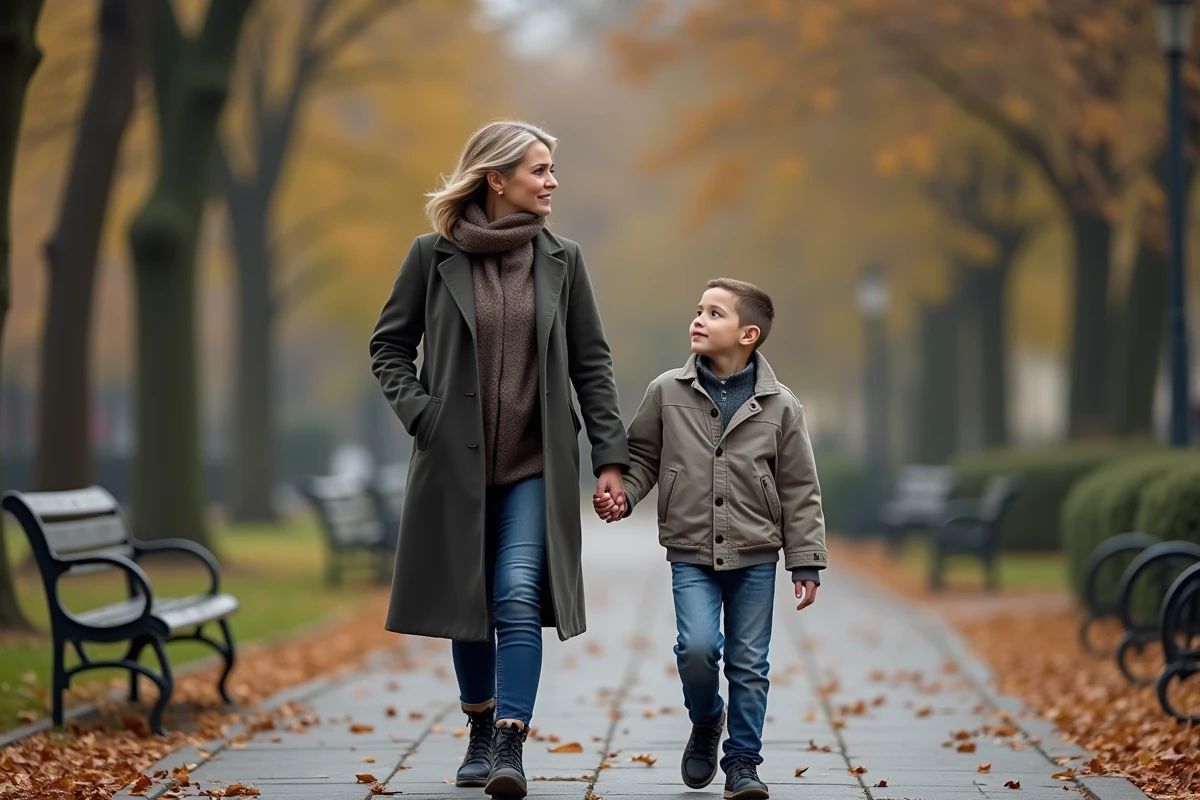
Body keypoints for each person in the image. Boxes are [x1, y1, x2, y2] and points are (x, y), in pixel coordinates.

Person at [370, 120, 629, 799]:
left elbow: (593, 366)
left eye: (551, 169)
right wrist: (423, 415)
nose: (552, 181)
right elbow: (389, 348)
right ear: (496, 178)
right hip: (453, 464)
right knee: (470, 601)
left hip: (534, 466)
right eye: (539, 169)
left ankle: (510, 742)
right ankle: (479, 727)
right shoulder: (432, 256)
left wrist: (610, 458)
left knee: (515, 594)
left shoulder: (563, 260)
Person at [594, 278, 827, 800]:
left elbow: (800, 487)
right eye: (698, 310)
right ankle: (706, 720)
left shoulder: (781, 405)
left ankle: (743, 762)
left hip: (756, 552)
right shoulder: (665, 392)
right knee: (697, 649)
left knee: (750, 663)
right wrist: (625, 496)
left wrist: (805, 562)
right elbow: (643, 460)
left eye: (714, 314)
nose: (698, 320)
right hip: (690, 550)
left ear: (748, 334)